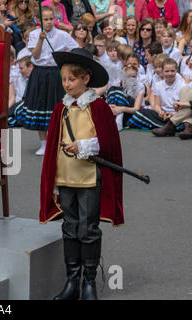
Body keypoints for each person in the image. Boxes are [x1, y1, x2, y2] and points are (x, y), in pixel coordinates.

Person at [40, 47, 123, 300]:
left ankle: (89, 283)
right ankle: (71, 282)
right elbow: (54, 144)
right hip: (65, 177)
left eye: (72, 79)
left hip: (88, 177)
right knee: (70, 227)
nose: (66, 84)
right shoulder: (61, 109)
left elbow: (108, 142)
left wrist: (85, 145)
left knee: (88, 229)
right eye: (64, 79)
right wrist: (52, 179)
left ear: (85, 79)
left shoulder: (97, 107)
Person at [17, 6, 78, 156]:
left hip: (55, 72)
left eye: (51, 19)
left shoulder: (62, 35)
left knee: (56, 106)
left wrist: (66, 60)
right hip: (39, 73)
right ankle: (43, 143)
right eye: (46, 19)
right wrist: (40, 39)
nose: (49, 22)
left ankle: (57, 141)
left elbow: (75, 49)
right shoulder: (34, 34)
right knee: (40, 106)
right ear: (39, 21)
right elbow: (36, 56)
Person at [129, 58, 185, 129]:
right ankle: (167, 127)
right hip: (163, 114)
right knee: (139, 113)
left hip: (177, 115)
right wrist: (160, 112)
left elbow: (183, 109)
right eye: (167, 71)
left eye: (172, 71)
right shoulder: (158, 85)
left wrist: (173, 114)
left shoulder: (183, 86)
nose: (170, 73)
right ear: (163, 71)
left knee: (185, 119)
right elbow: (157, 105)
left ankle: (165, 126)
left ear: (176, 70)